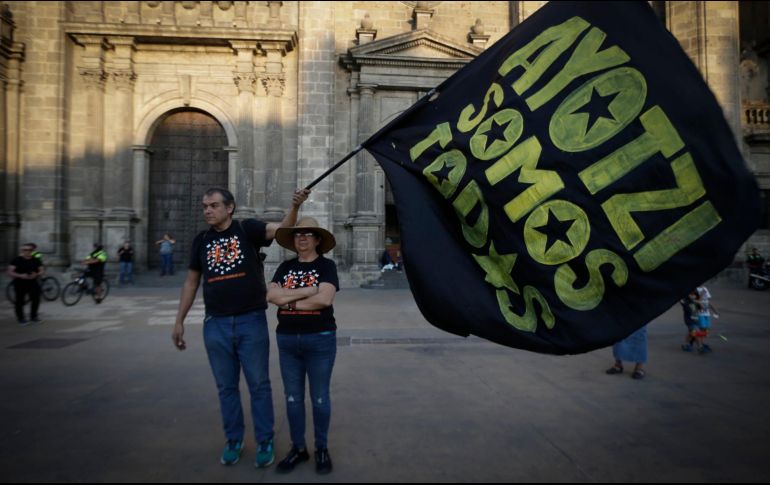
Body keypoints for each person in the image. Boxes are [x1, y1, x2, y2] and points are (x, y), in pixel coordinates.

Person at [172, 187, 309, 469]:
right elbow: (191, 283)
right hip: (216, 324)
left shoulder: (247, 230)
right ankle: (234, 440)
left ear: (230, 207)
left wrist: (294, 206)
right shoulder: (201, 240)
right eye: (204, 206)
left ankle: (264, 440)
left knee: (259, 384)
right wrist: (179, 321)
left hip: (250, 320)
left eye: (213, 205)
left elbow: (284, 230)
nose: (207, 210)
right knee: (226, 387)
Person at [267, 217, 339, 475]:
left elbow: (325, 299)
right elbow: (271, 295)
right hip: (287, 340)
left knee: (319, 398)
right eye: (298, 234)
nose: (302, 238)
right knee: (293, 398)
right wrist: (309, 291)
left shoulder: (326, 266)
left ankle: (321, 448)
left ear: (318, 239)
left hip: (319, 337)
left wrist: (288, 301)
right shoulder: (284, 267)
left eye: (308, 234)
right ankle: (298, 448)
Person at [7, 243, 44, 325]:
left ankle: (33, 317)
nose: (27, 251)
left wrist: (37, 274)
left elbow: (41, 270)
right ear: (22, 251)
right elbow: (10, 272)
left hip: (33, 281)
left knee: (36, 299)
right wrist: (20, 275)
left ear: (32, 251)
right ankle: (21, 318)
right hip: (20, 282)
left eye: (29, 250)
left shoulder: (36, 260)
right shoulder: (16, 260)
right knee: (20, 301)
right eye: (25, 250)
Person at [693, 286, 719, 354]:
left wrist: (714, 310)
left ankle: (700, 342)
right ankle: (700, 346)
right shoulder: (696, 289)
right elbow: (695, 300)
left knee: (705, 330)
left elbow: (708, 301)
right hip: (700, 314)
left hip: (707, 314)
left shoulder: (705, 288)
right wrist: (701, 294)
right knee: (702, 329)